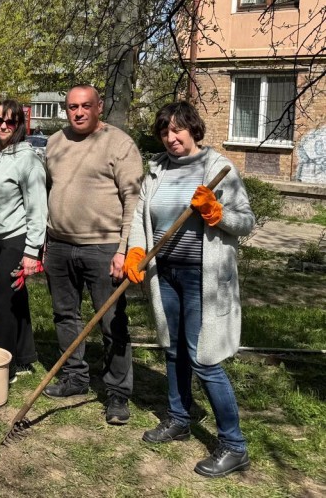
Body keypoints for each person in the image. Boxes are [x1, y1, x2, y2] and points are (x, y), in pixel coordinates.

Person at [124, 101, 254, 478]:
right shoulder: (157, 168)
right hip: (165, 273)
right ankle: (179, 418)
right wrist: (136, 250)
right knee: (173, 349)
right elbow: (140, 216)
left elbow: (246, 221)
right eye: (165, 131)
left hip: (203, 277)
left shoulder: (218, 168)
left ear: (193, 129)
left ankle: (234, 445)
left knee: (205, 359)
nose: (171, 137)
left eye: (178, 129)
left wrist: (217, 213)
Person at [43, 84, 142, 425]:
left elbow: (133, 200)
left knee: (112, 321)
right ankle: (75, 377)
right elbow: (50, 190)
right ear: (66, 110)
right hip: (59, 245)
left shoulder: (119, 144)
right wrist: (45, 239)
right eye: (73, 107)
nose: (79, 112)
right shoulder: (55, 142)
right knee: (64, 315)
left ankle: (117, 392)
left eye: (86, 106)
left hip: (104, 247)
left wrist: (124, 249)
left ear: (99, 106)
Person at [0, 99, 47, 382]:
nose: (3, 126)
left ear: (19, 125)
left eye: (10, 121)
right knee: (16, 298)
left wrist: (32, 251)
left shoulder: (28, 160)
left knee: (2, 301)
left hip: (16, 239)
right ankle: (25, 355)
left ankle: (4, 367)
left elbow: (37, 208)